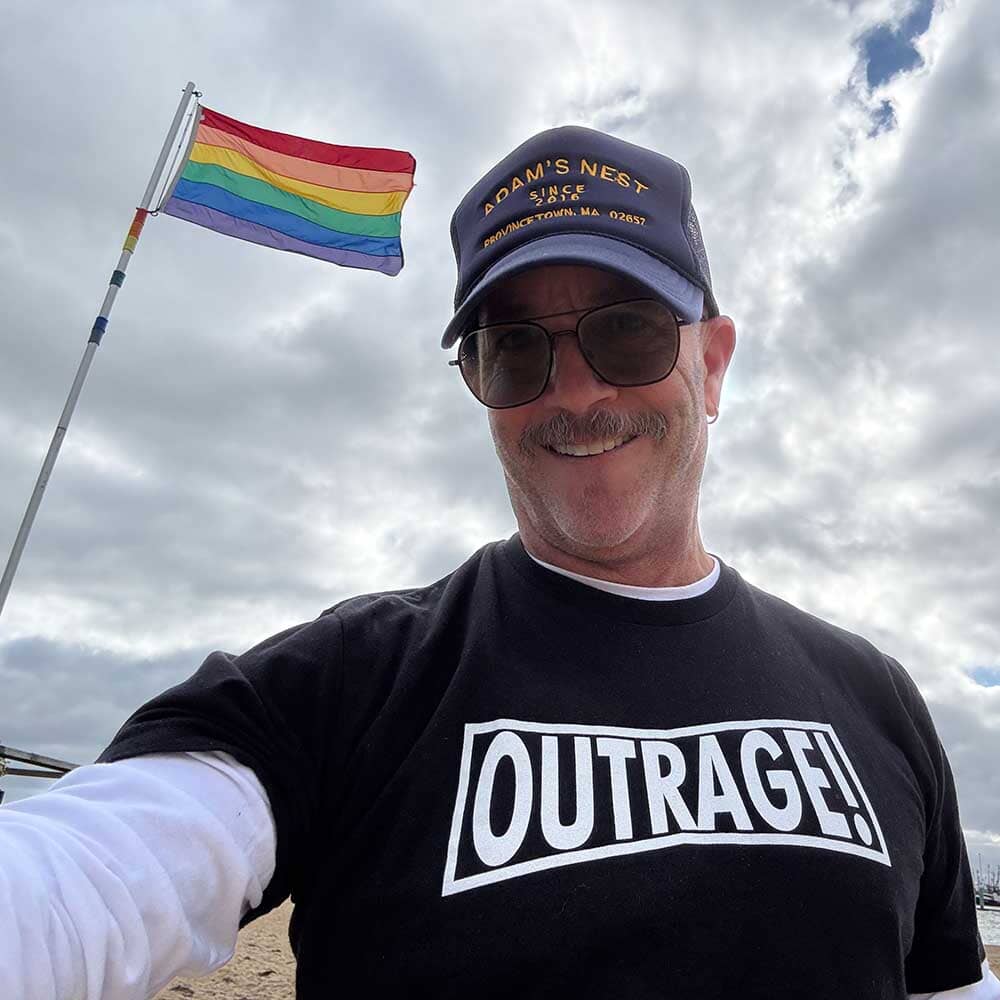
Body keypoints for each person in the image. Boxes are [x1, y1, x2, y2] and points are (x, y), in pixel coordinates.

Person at [1, 126, 996, 1000]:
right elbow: (89, 872)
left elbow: (948, 981)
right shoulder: (357, 680)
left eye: (629, 331)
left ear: (713, 362)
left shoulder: (874, 698)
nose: (575, 392)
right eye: (515, 348)